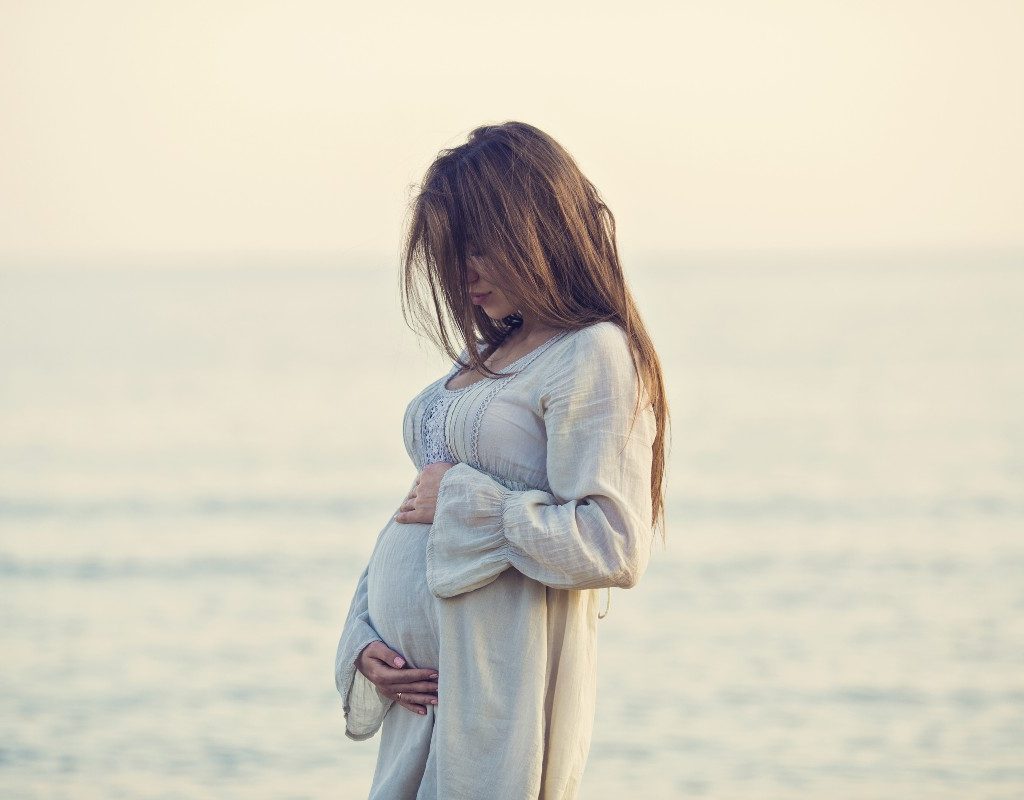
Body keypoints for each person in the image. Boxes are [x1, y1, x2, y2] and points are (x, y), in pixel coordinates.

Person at [334, 121, 670, 800]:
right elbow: (416, 509)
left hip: (491, 697)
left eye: (481, 248)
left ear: (539, 229)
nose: (464, 274)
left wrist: (464, 499)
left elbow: (613, 544)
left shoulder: (593, 352)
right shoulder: (486, 355)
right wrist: (362, 641)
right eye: (453, 252)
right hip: (418, 706)